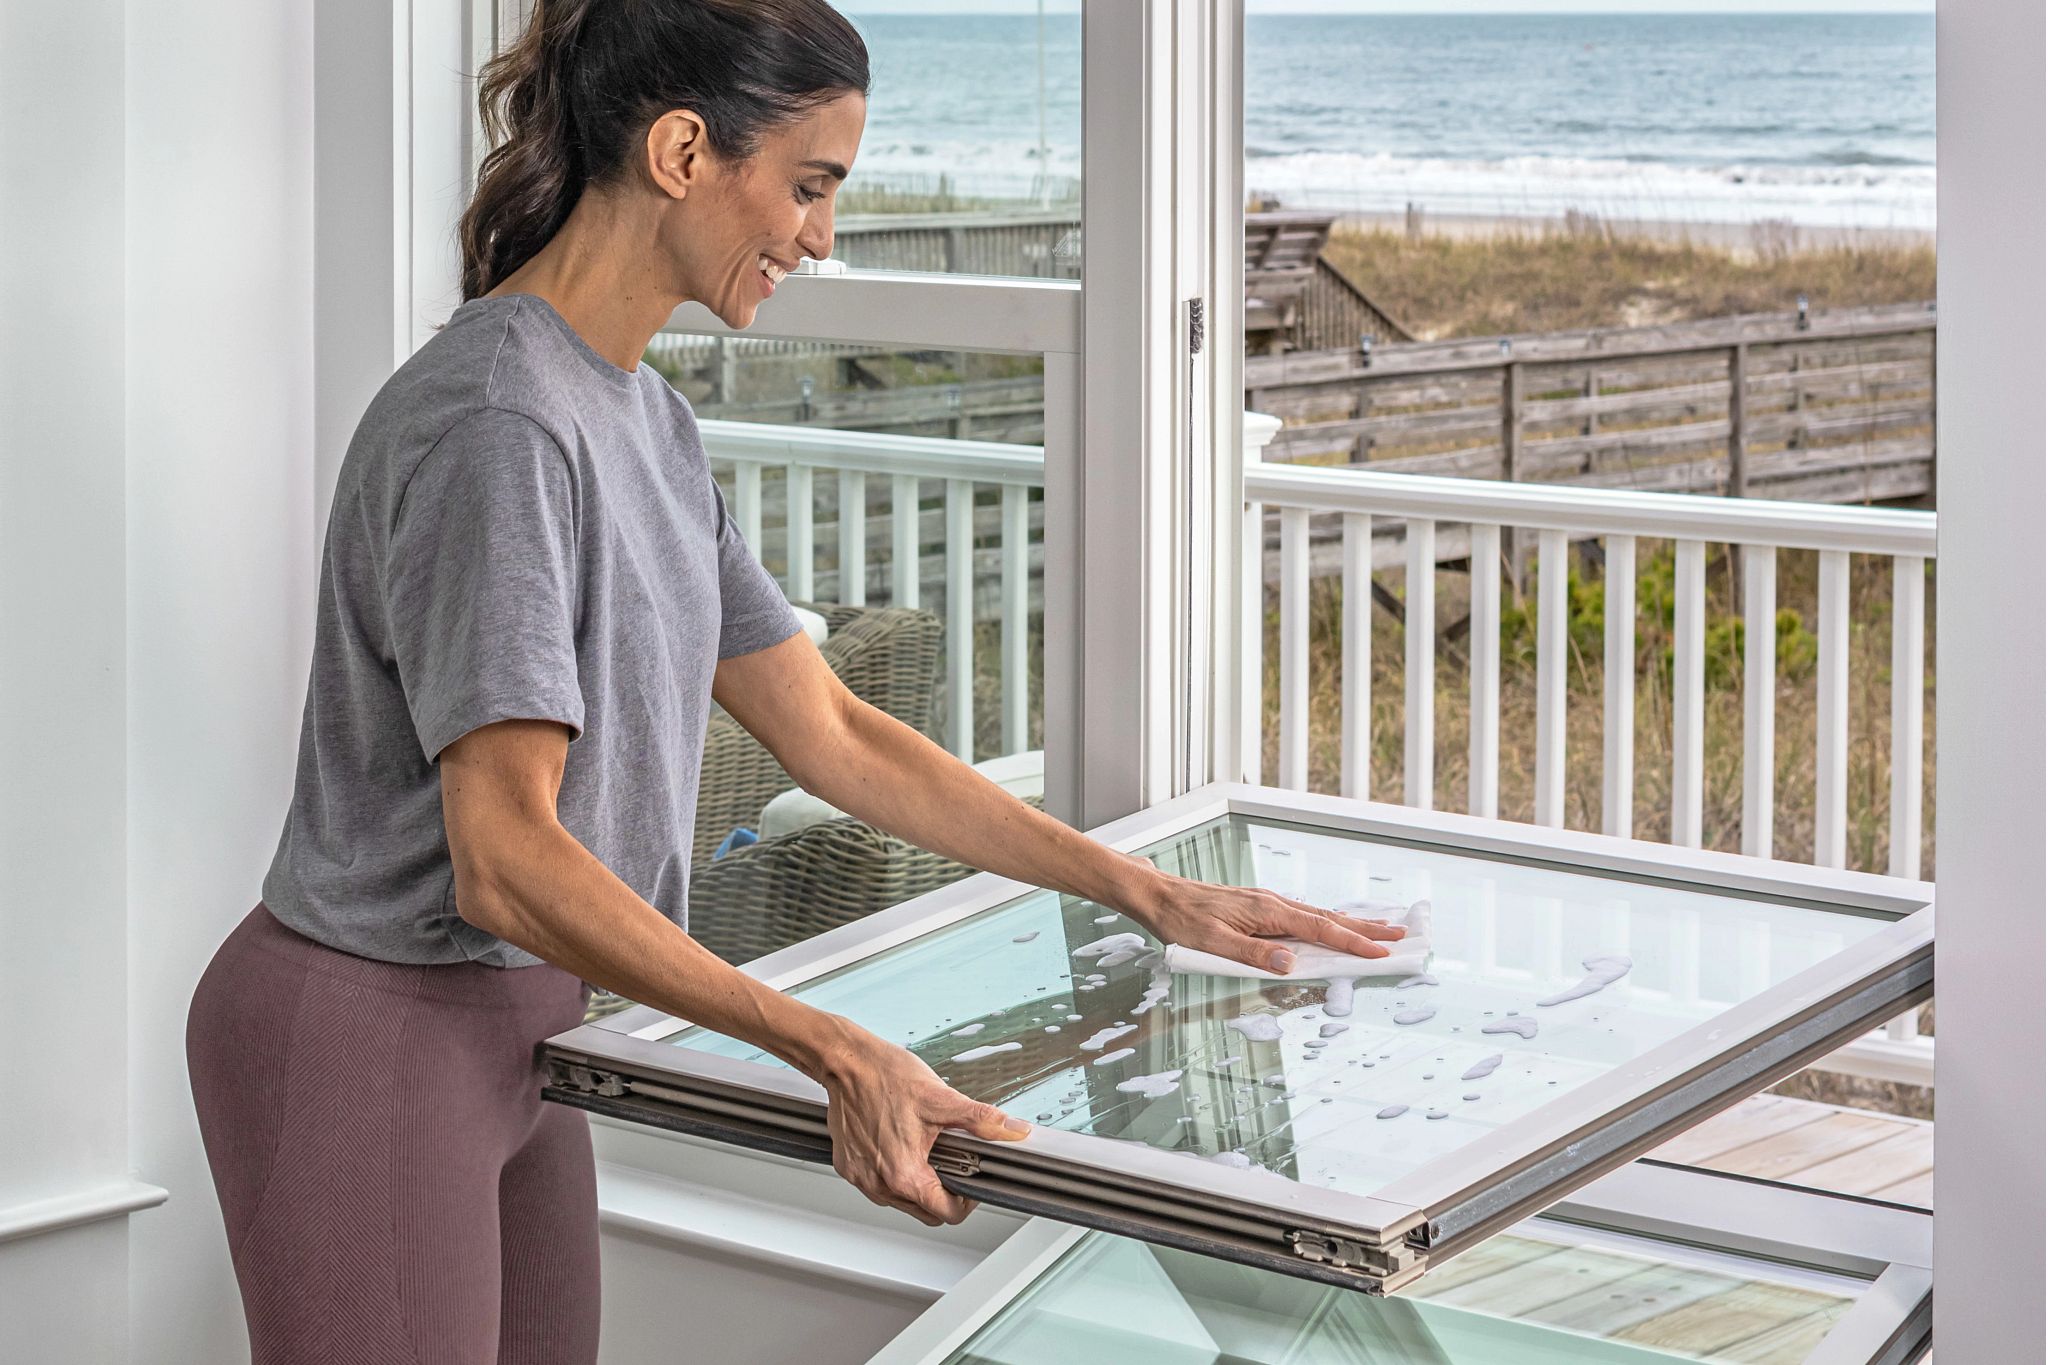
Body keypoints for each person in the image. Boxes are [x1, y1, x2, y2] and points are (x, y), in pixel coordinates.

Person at [184, 1, 1403, 1360]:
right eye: (810, 185)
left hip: (534, 1023)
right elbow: (506, 859)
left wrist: (1140, 883)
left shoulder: (645, 418)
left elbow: (829, 730)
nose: (821, 236)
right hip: (371, 1024)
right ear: (684, 151)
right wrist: (827, 1045)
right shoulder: (498, 423)